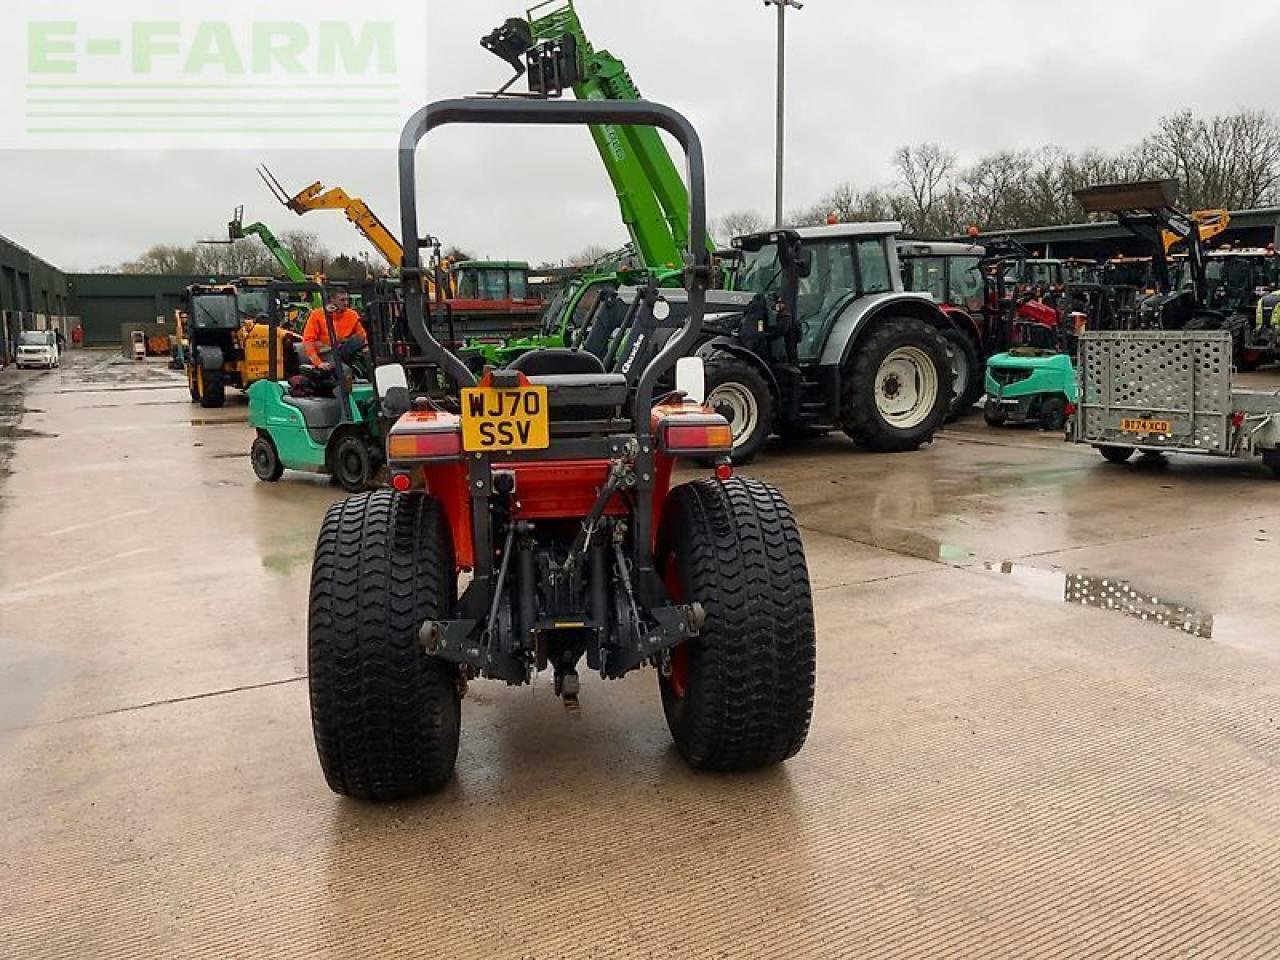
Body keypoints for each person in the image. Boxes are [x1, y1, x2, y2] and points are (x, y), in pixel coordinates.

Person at [302, 290, 367, 370]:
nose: (346, 303)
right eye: (342, 300)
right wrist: (318, 363)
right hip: (325, 354)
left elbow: (362, 336)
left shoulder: (352, 315)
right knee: (344, 371)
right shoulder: (317, 315)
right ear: (332, 300)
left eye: (347, 300)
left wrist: (366, 350)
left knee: (367, 361)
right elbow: (308, 341)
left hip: (343, 351)